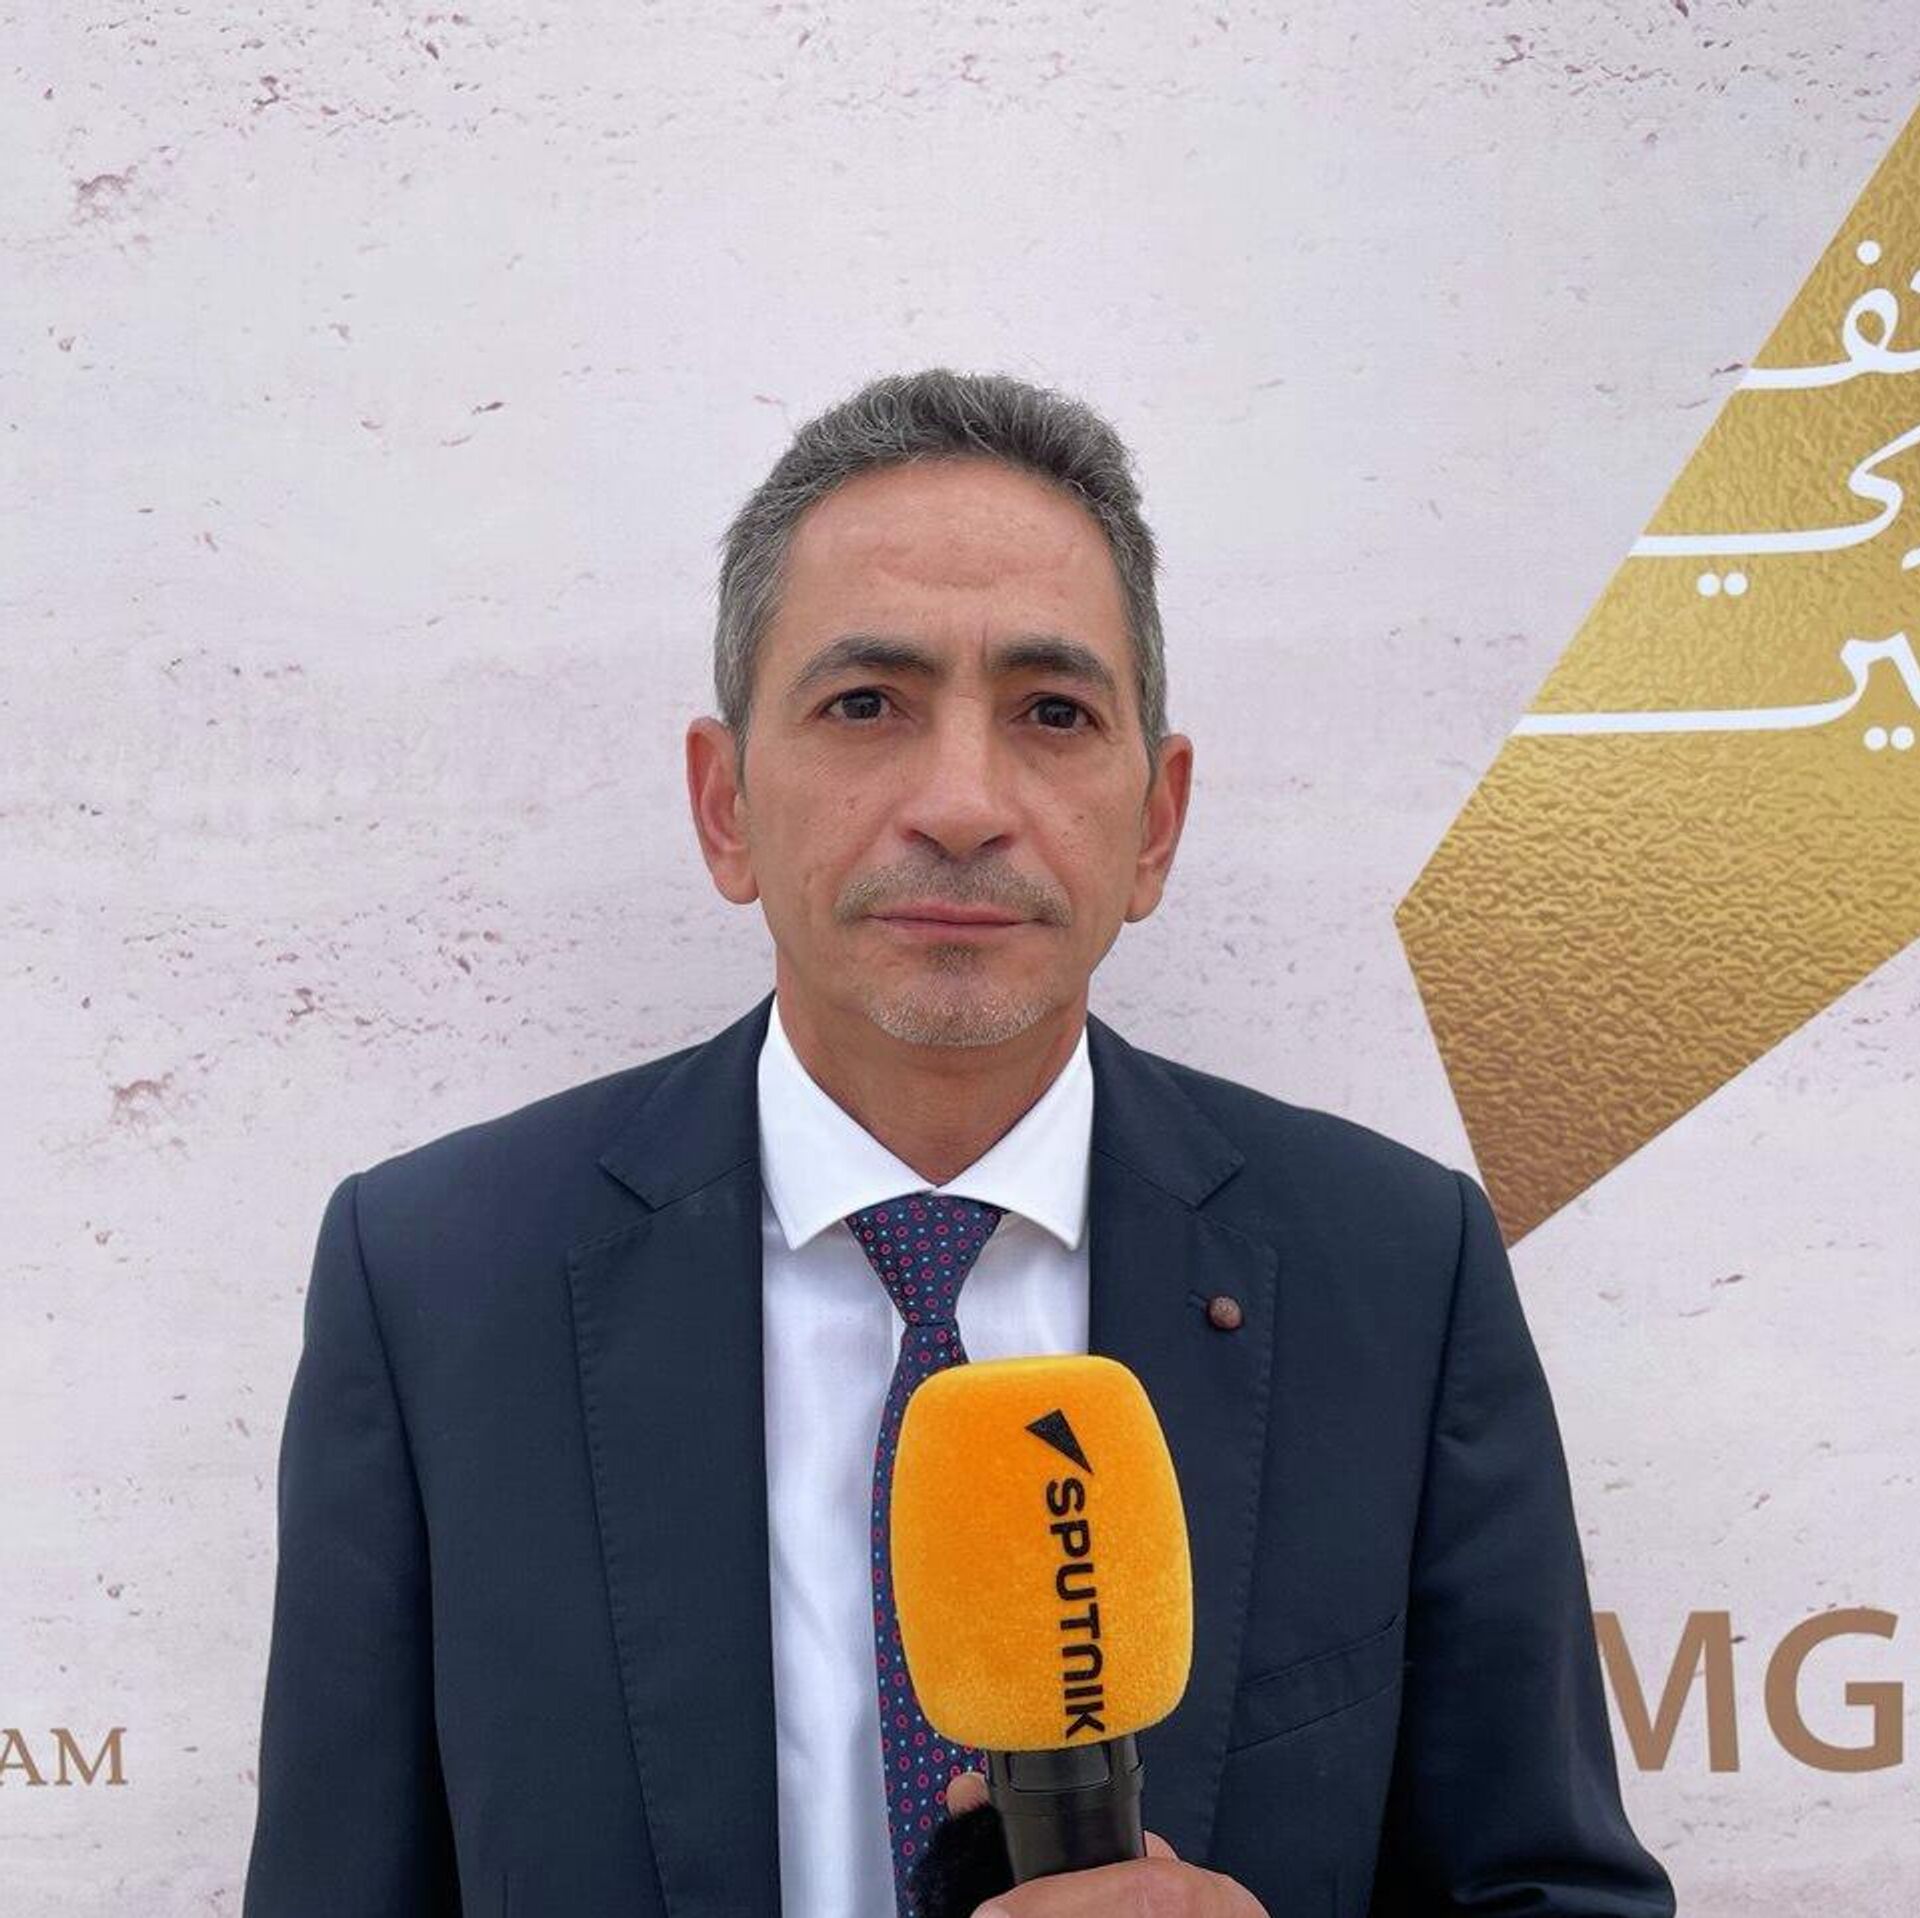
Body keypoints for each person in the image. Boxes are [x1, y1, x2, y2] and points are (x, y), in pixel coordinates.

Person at [241, 368, 1676, 1918]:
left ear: (1157, 824)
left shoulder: (1394, 1276)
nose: (964, 802)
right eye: (867, 704)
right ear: (725, 806)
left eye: (1053, 713)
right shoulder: (438, 1286)